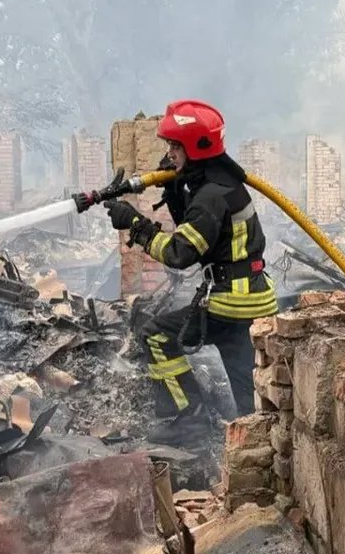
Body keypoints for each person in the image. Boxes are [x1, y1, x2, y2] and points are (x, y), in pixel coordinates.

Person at [102, 99, 277, 431]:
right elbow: (197, 230)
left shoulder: (211, 196)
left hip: (232, 304)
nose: (169, 154)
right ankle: (257, 433)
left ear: (194, 148)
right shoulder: (221, 183)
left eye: (174, 147)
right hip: (252, 298)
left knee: (155, 335)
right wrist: (174, 191)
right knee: (248, 396)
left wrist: (136, 225)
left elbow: (180, 254)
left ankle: (189, 418)